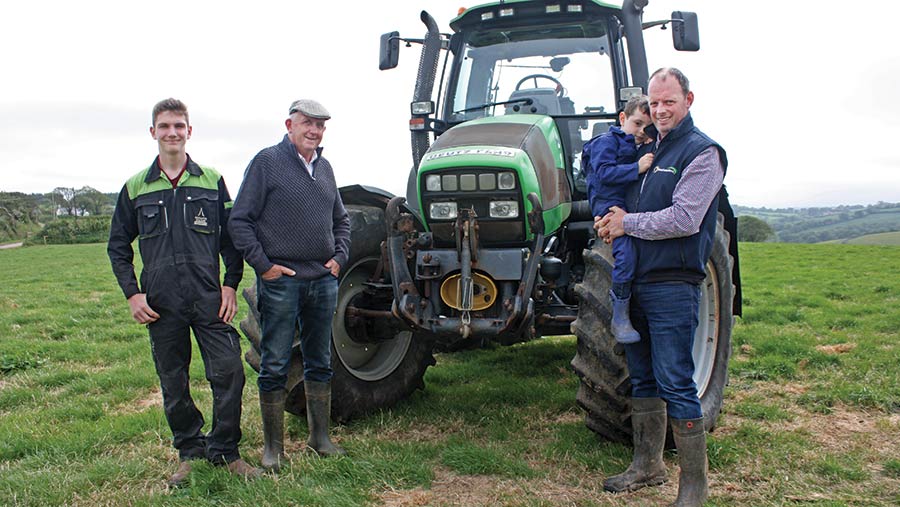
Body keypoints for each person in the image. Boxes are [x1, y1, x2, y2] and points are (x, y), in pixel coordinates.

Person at [107, 98, 261, 487]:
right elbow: (118, 246)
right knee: (173, 380)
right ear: (153, 132)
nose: (172, 132)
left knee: (229, 373)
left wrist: (230, 283)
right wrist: (132, 294)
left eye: (179, 126)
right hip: (161, 303)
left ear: (189, 131)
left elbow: (231, 239)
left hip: (209, 297)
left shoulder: (211, 180)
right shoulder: (136, 187)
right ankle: (190, 452)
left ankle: (225, 451)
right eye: (164, 126)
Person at [596, 68, 728, 507]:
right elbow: (624, 203)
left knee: (675, 379)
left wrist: (626, 222)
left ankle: (694, 487)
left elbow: (685, 219)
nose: (660, 110)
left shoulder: (702, 153)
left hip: (673, 284)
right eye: (654, 103)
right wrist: (608, 221)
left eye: (668, 101)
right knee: (643, 377)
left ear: (688, 100)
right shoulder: (647, 147)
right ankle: (647, 465)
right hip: (634, 283)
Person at [228, 99, 351, 471]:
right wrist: (264, 267)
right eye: (307, 123)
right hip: (282, 283)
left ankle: (320, 438)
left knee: (321, 360)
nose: (314, 131)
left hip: (322, 281)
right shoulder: (267, 163)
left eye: (320, 126)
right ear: (290, 124)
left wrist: (339, 259)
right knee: (275, 361)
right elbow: (240, 221)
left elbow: (341, 221)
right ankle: (273, 449)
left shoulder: (325, 168)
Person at [582, 95, 655, 344]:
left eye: (647, 127)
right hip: (610, 204)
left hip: (627, 204)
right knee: (625, 254)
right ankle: (620, 314)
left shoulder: (636, 143)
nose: (641, 131)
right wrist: (637, 167)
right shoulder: (605, 142)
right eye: (637, 124)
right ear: (622, 118)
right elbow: (603, 173)